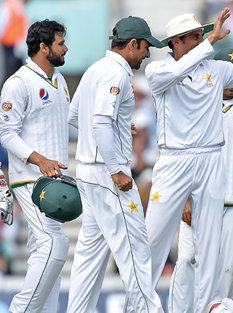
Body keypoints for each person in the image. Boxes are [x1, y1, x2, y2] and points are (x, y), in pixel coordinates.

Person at [144, 8, 233, 313]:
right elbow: (176, 73)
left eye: (202, 36)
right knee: (154, 240)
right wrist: (210, 43)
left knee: (208, 251)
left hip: (210, 159)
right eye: (195, 37)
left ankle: (206, 308)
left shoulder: (215, 69)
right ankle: (140, 304)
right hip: (174, 159)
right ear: (176, 42)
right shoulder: (157, 71)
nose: (202, 41)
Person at [66, 16, 165, 313]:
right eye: (146, 47)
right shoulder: (117, 73)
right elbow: (98, 121)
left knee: (90, 255)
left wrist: (119, 129)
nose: (147, 54)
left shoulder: (95, 68)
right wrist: (115, 168)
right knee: (135, 250)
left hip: (87, 171)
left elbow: (74, 117)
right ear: (133, 44)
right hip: (109, 175)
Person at [169, 48, 233, 313]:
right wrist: (184, 197)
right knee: (187, 259)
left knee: (226, 268)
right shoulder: (195, 104)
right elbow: (183, 154)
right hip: (199, 198)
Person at [0, 19, 70, 313]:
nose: (66, 48)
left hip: (55, 182)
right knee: (56, 245)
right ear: (43, 47)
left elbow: (69, 122)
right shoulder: (18, 83)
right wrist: (39, 159)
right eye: (60, 43)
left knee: (44, 252)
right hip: (30, 180)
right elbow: (5, 133)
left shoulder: (60, 81)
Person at [0, 0, 28, 87]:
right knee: (10, 74)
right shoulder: (10, 5)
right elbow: (2, 24)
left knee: (17, 73)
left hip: (17, 46)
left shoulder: (18, 6)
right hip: (9, 45)